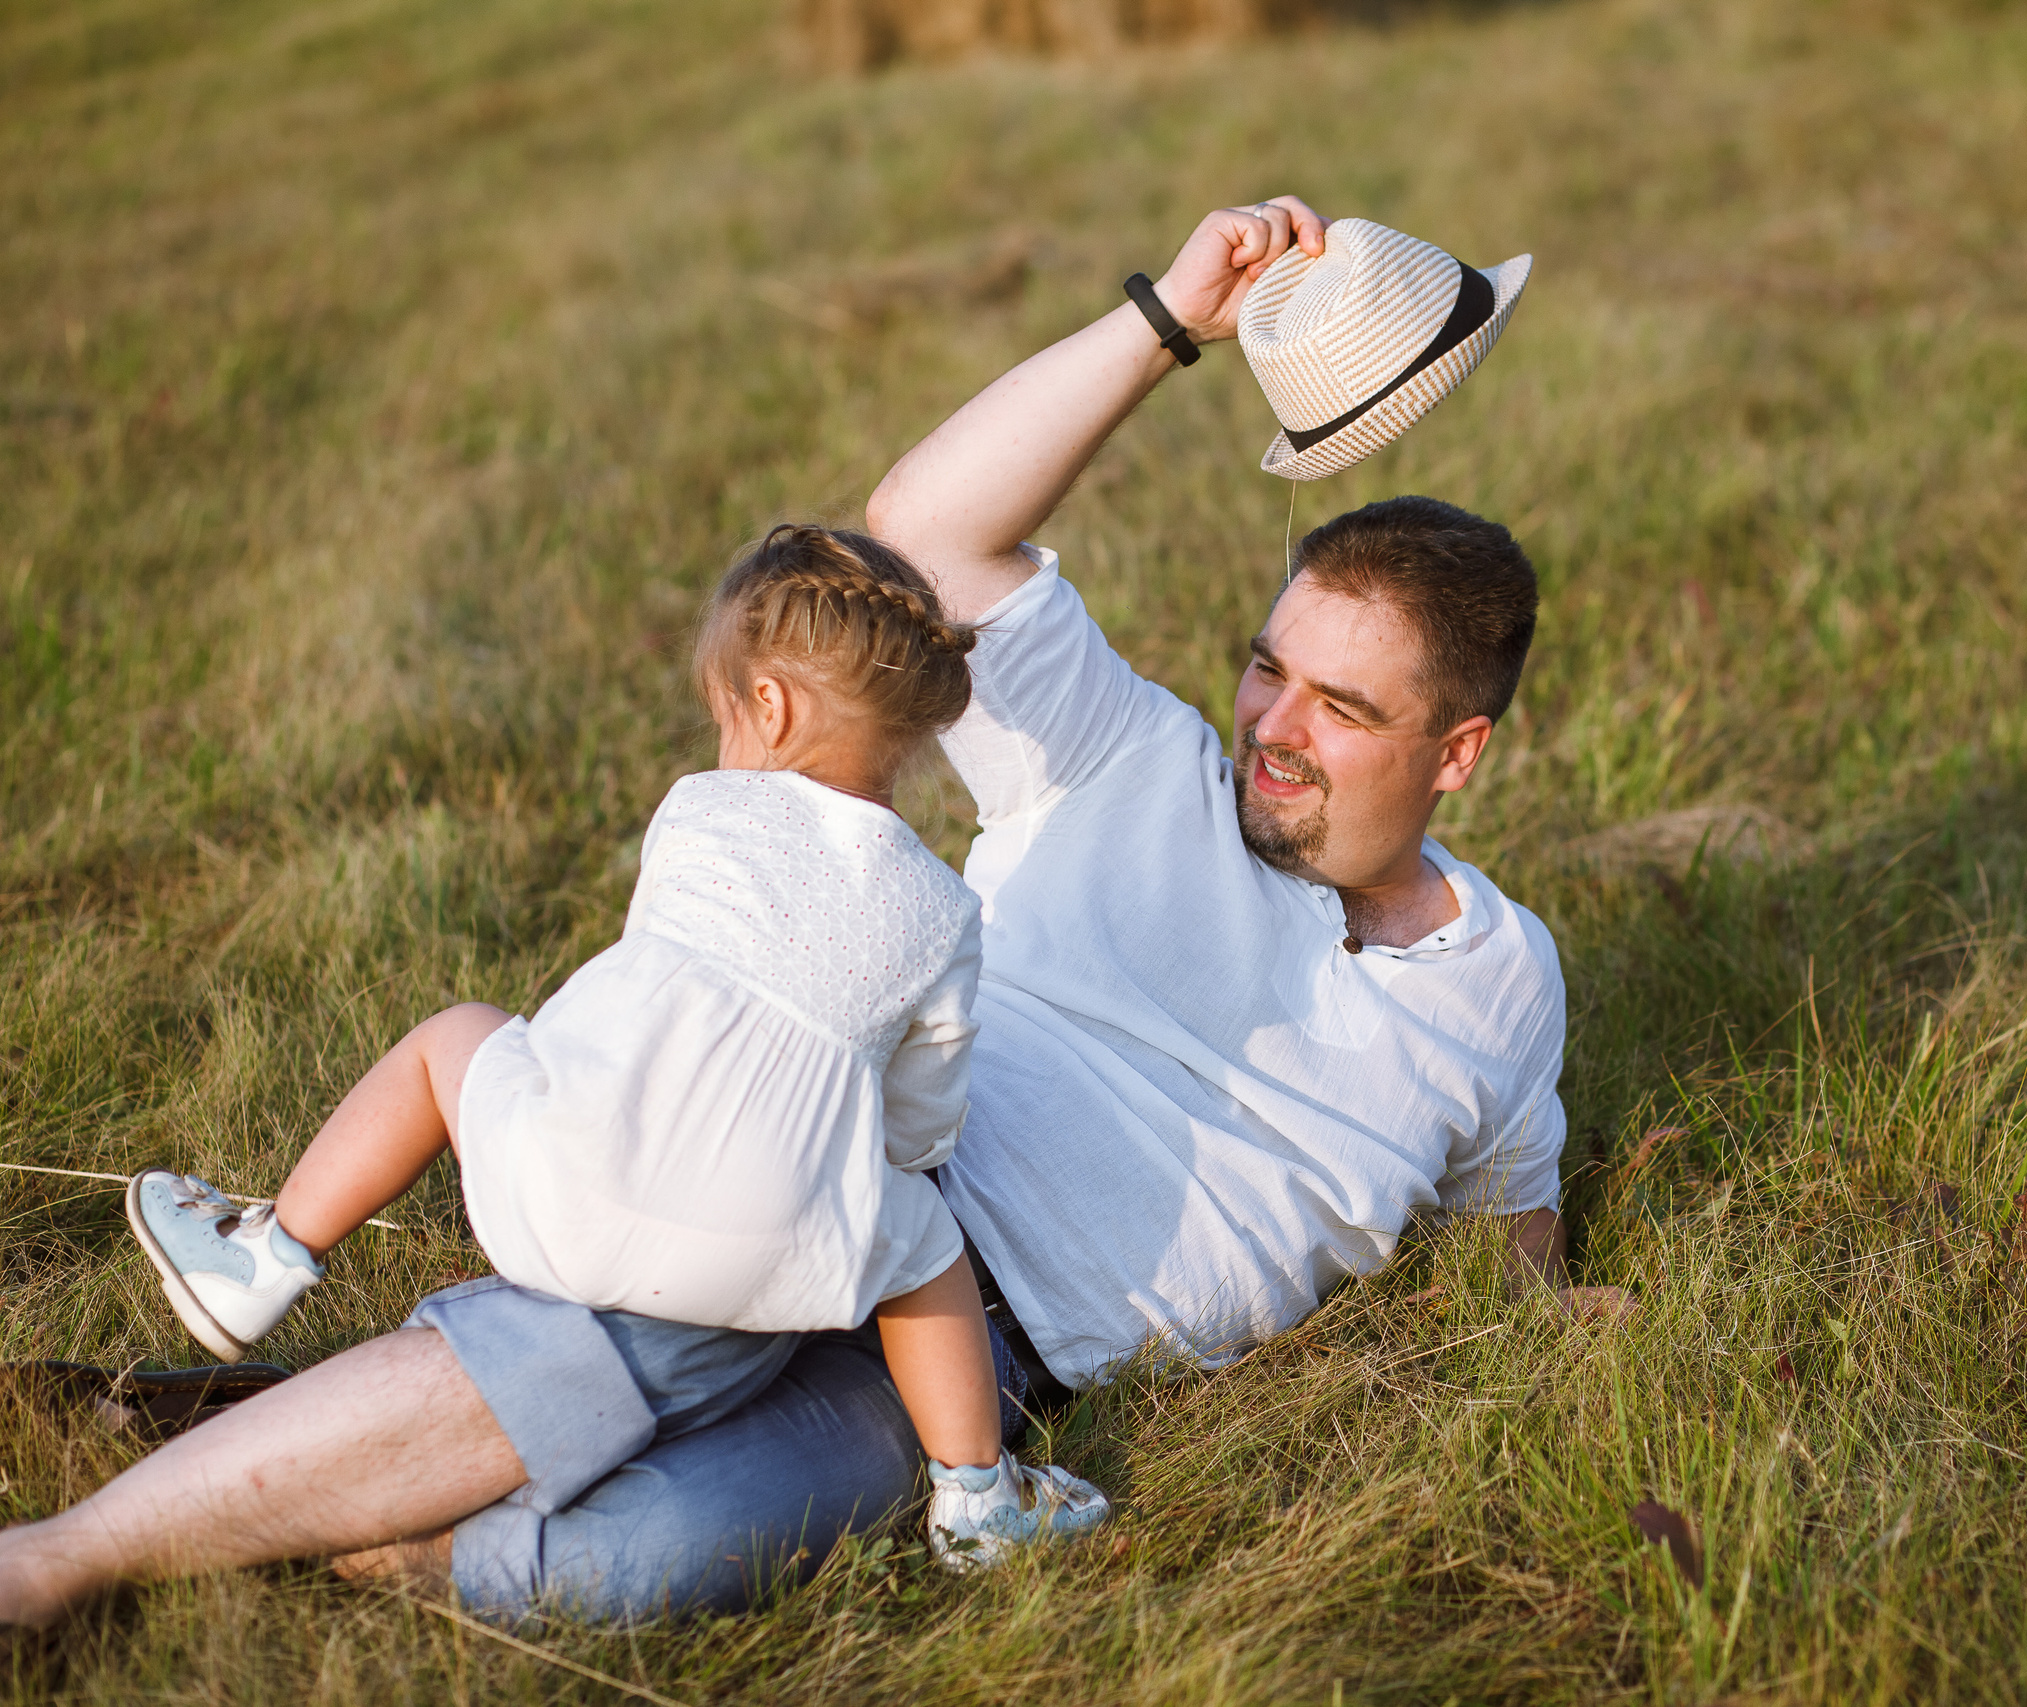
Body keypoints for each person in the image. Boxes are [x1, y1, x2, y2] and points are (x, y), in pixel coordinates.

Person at [0, 195, 1583, 1627]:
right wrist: (1171, 319)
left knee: (639, 1558)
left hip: (985, 1365)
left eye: (1342, 709)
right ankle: (64, 1555)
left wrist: (1563, 1310)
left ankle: (278, 1449)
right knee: (623, 1358)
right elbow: (927, 530)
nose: (1274, 728)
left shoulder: (1505, 982)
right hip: (832, 1176)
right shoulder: (1124, 760)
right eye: (1268, 668)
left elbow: (1514, 1239)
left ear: (1457, 751)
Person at [122, 525, 1107, 1576]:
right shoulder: (942, 912)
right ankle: (976, 1494)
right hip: (773, 1266)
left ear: (768, 707)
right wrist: (868, 1163)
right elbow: (918, 1128)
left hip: (566, 1199)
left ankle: (264, 1255)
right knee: (924, 1241)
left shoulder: (701, 812)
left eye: (722, 713)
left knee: (452, 1037)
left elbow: (650, 1000)